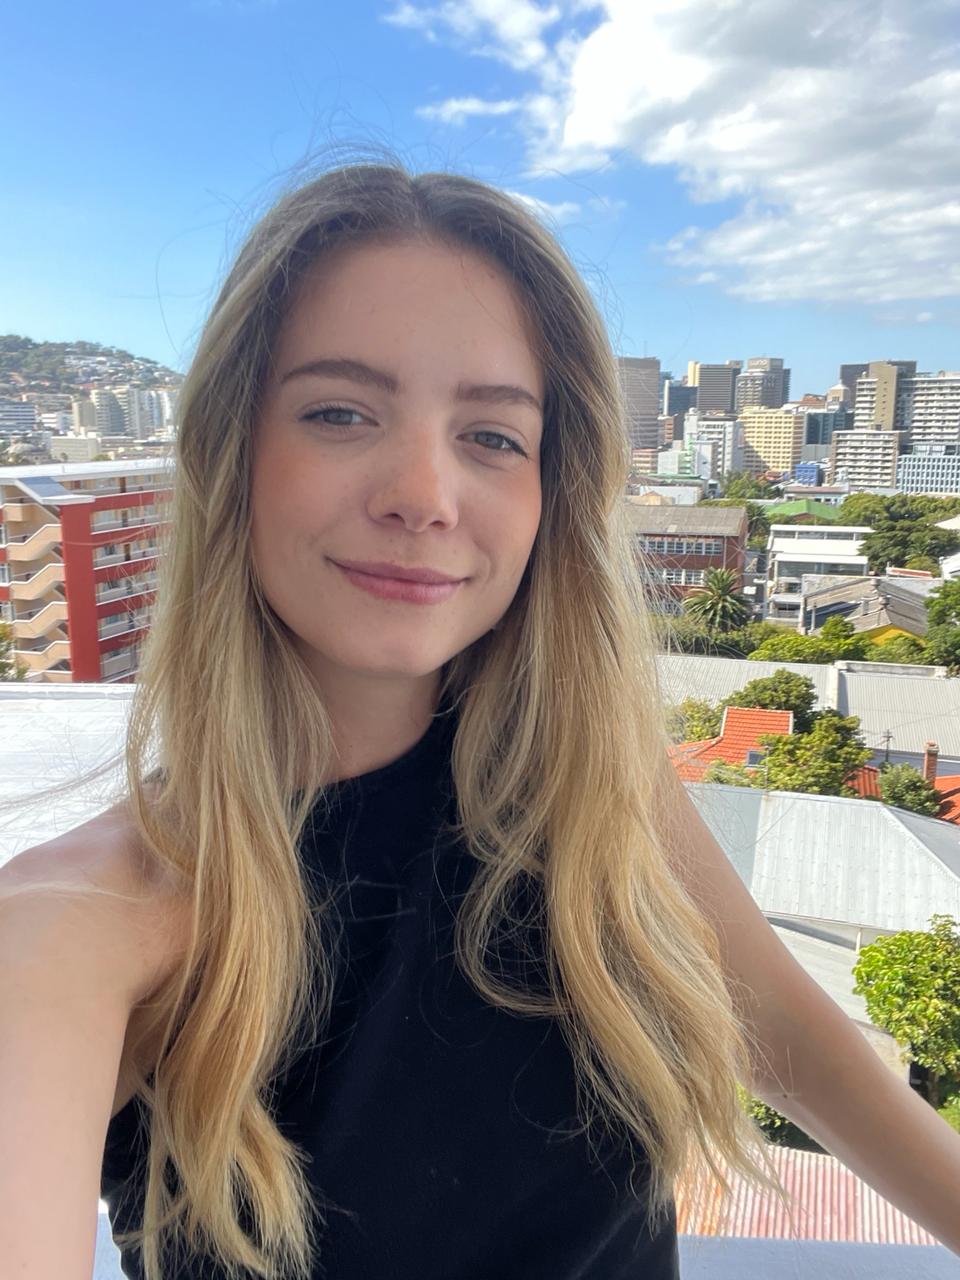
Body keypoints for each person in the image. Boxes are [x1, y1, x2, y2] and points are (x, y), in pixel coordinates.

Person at [2, 159, 959, 1280]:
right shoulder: (78, 927)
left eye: (494, 435)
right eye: (340, 411)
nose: (425, 491)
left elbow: (787, 1038)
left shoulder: (584, 786)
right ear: (230, 455)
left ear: (551, 489)